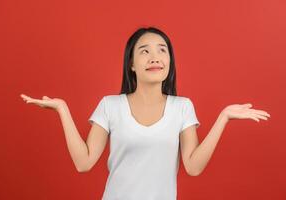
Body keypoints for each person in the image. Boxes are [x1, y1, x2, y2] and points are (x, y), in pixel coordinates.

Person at [20, 27, 271, 200]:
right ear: (131, 64)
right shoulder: (110, 105)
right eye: (145, 51)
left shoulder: (182, 107)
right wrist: (62, 109)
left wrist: (223, 117)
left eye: (162, 50)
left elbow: (193, 167)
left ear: (170, 61)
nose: (155, 57)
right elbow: (83, 162)